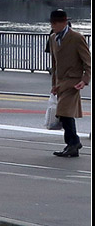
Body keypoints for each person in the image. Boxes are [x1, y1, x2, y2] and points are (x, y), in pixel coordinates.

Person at [47, 9, 91, 158]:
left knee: (64, 112)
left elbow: (87, 61)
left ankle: (73, 143)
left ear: (64, 23)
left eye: (55, 23)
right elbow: (54, 64)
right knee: (64, 114)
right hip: (60, 82)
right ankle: (72, 144)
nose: (53, 26)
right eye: (52, 23)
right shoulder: (53, 38)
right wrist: (54, 84)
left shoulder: (77, 38)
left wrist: (85, 80)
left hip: (73, 81)